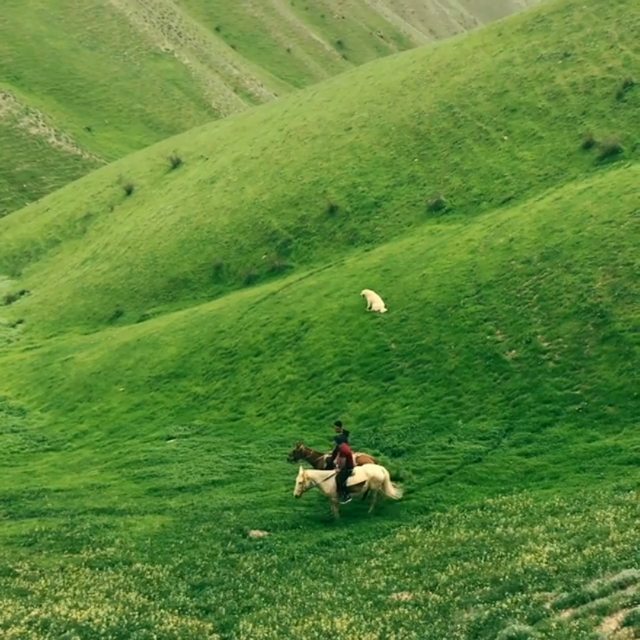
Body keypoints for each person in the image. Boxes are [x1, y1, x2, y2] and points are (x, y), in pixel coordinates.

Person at [335, 439, 355, 504]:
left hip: (348, 468)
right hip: (347, 466)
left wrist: (339, 469)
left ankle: (347, 496)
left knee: (340, 480)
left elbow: (343, 462)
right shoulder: (344, 446)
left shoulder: (343, 450)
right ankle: (339, 492)